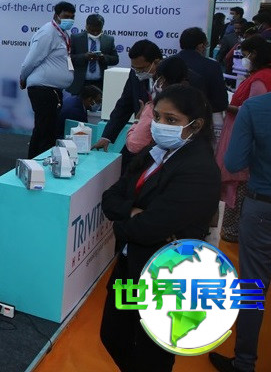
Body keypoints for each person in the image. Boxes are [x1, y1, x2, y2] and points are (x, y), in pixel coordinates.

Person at [100, 84, 220, 372]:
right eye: (157, 117)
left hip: (165, 275)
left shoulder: (199, 169)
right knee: (113, 336)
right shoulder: (155, 152)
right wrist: (132, 213)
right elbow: (110, 198)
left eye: (171, 120)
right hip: (131, 264)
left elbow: (150, 227)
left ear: (195, 126)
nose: (160, 125)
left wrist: (123, 223)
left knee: (152, 354)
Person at [209, 92, 271, 372]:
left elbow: (233, 162)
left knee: (253, 287)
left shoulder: (255, 109)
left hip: (263, 206)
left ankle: (244, 363)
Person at [214, 35, 271, 242]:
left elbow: (253, 111)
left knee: (238, 184)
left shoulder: (260, 79)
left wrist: (225, 106)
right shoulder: (262, 76)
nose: (243, 60)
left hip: (246, 141)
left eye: (245, 55)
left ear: (255, 54)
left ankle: (232, 231)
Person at [20, 1, 76, 158]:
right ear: (56, 15)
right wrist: (23, 77)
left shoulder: (63, 34)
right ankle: (37, 163)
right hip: (43, 89)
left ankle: (35, 162)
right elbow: (31, 60)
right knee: (45, 131)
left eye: (72, 17)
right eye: (66, 16)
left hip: (52, 90)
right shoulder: (47, 33)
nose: (69, 20)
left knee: (45, 130)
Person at [92, 39, 162, 155]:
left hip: (160, 139)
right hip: (140, 133)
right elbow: (124, 105)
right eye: (135, 68)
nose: (138, 72)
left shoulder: (171, 78)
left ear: (156, 62)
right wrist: (106, 137)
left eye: (142, 69)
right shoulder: (134, 74)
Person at [124, 55, 189, 154]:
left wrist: (137, 121)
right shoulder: (193, 102)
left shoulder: (154, 108)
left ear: (161, 80)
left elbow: (134, 145)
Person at [177, 27, 228, 114]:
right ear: (200, 46)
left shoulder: (167, 63)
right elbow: (221, 103)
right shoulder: (212, 66)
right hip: (200, 116)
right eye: (206, 45)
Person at [67, 13, 119, 94]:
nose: (95, 33)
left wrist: (103, 58)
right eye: (92, 30)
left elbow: (115, 59)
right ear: (87, 26)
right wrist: (84, 57)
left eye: (98, 31)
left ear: (102, 27)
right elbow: (68, 58)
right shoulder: (76, 38)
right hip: (80, 84)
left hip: (100, 84)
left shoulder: (109, 40)